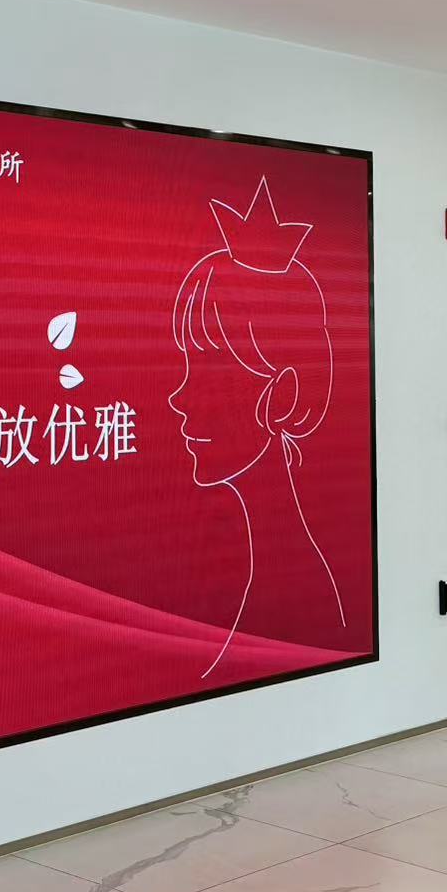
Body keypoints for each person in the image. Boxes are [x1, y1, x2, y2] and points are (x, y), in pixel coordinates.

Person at [168, 177, 346, 676]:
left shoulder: (294, 587)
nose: (178, 399)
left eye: (210, 373)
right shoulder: (280, 570)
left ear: (281, 395)